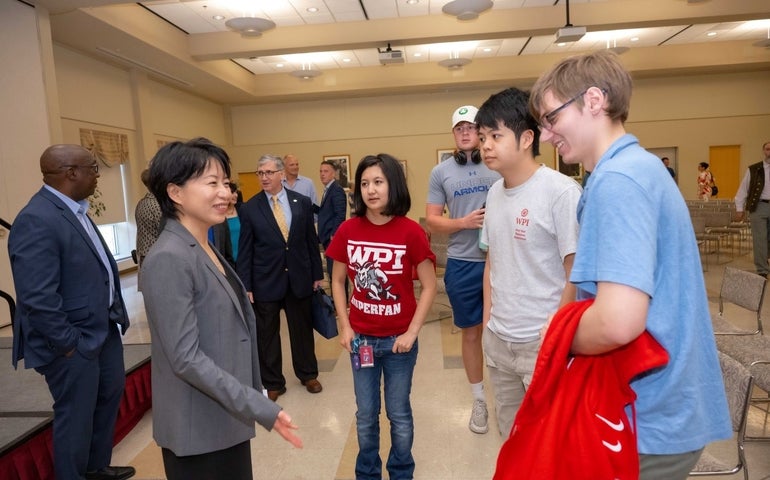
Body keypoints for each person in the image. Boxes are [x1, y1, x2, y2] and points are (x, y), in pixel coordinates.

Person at [528, 50, 730, 479]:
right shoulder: (633, 170)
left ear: (595, 101)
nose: (546, 135)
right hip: (654, 406)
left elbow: (618, 321)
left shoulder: (619, 181)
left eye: (552, 118)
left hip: (647, 414)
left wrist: (556, 336)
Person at [140, 138, 302, 480]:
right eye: (211, 183)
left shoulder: (204, 245)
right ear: (176, 193)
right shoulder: (169, 257)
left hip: (224, 417)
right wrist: (259, 405)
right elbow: (185, 357)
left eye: (225, 183)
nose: (225, 193)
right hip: (197, 428)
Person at [8, 144, 134, 480]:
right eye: (93, 168)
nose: (97, 175)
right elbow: (37, 297)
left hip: (102, 329)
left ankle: (95, 467)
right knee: (76, 415)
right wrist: (68, 343)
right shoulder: (36, 219)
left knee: (107, 398)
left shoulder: (76, 210)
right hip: (72, 342)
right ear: (71, 173)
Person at [476, 87, 581, 437]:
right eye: (481, 137)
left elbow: (576, 270)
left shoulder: (561, 191)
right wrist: (489, 322)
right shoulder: (494, 193)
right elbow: (492, 260)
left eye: (495, 135)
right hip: (499, 339)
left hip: (541, 343)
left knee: (549, 445)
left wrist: (555, 330)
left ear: (526, 138)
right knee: (513, 441)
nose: (485, 145)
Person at [326, 153, 437, 480]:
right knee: (366, 415)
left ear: (393, 185)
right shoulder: (348, 230)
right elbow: (336, 279)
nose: (371, 190)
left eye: (378, 182)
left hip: (399, 344)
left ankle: (401, 473)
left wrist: (412, 333)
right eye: (364, 183)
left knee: (399, 415)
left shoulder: (411, 232)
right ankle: (368, 474)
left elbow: (429, 286)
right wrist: (343, 325)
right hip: (361, 340)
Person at [426, 105, 501, 434]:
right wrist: (463, 222)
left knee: (504, 334)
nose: (466, 132)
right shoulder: (440, 172)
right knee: (471, 333)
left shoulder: (498, 163)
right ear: (454, 135)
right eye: (460, 128)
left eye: (472, 126)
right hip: (463, 264)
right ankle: (479, 399)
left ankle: (507, 398)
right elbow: (432, 220)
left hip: (502, 262)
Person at [237, 154, 325, 401]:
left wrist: (317, 273)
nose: (264, 177)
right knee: (267, 334)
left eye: (268, 172)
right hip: (265, 280)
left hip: (299, 277)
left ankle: (308, 374)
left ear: (281, 175)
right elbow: (245, 249)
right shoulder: (250, 208)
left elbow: (310, 241)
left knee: (302, 330)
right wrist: (246, 284)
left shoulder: (302, 202)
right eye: (260, 173)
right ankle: (273, 381)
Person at [734, 141, 770, 277]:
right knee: (759, 238)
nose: (769, 152)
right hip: (758, 206)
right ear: (763, 151)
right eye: (767, 149)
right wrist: (739, 208)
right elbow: (743, 189)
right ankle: (762, 269)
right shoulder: (753, 169)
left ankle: (765, 260)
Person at [317, 159, 348, 288]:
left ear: (333, 174)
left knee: (336, 273)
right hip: (327, 238)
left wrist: (334, 234)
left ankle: (341, 303)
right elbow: (326, 212)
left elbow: (340, 214)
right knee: (332, 272)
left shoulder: (336, 190)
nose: (322, 174)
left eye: (326, 171)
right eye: (320, 171)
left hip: (333, 238)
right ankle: (336, 302)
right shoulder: (327, 190)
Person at [134, 168, 163, 269]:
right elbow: (166, 232)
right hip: (157, 256)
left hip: (144, 255)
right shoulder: (157, 206)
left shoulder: (141, 203)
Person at [211, 181, 241, 269]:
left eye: (236, 192)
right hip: (227, 260)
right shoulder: (216, 216)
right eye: (232, 192)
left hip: (243, 258)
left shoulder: (242, 210)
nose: (235, 195)